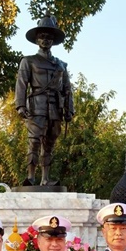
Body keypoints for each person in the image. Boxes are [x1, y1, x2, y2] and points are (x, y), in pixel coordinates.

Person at [15, 14, 74, 186]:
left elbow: (68, 89)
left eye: (49, 37)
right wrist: (20, 105)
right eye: (42, 36)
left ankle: (46, 178)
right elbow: (22, 84)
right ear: (37, 39)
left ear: (53, 40)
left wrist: (69, 109)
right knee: (33, 141)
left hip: (55, 107)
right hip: (36, 105)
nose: (45, 39)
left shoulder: (61, 65)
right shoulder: (28, 61)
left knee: (49, 144)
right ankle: (31, 176)